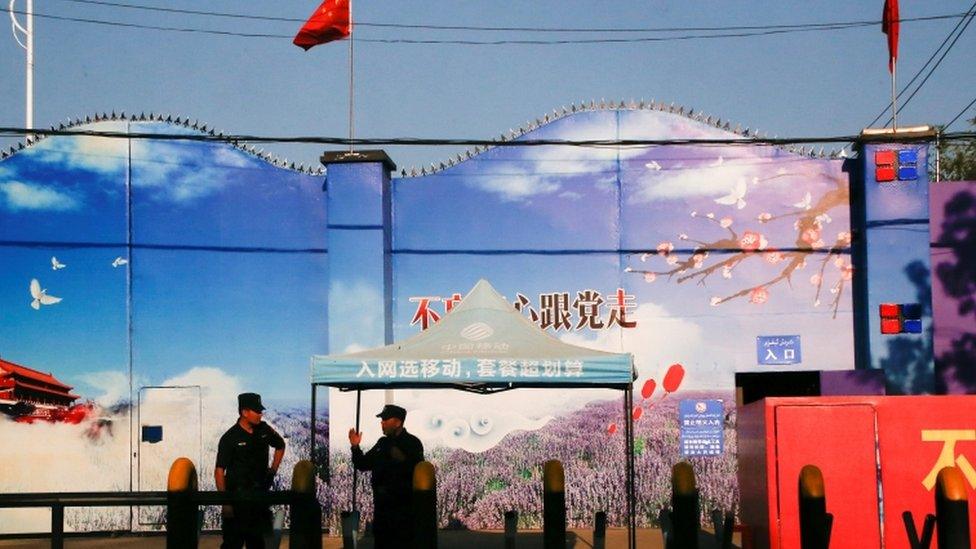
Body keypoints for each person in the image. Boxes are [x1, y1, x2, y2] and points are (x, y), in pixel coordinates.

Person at [215, 392, 286, 549]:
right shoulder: (229, 438)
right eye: (257, 411)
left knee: (257, 544)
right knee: (232, 544)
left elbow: (280, 445)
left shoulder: (264, 430)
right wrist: (226, 503)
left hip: (258, 500)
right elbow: (219, 471)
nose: (261, 414)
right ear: (244, 413)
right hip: (237, 502)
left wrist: (273, 470)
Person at [349, 404, 425, 548]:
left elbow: (420, 473)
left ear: (397, 422)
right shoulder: (382, 443)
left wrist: (404, 460)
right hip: (382, 512)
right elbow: (363, 464)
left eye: (385, 419)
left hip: (403, 514)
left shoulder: (412, 443)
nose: (382, 423)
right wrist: (355, 447)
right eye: (382, 420)